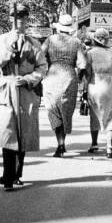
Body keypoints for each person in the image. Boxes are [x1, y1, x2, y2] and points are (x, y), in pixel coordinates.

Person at [0, 4, 46, 191]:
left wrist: (30, 79)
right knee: (8, 133)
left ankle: (17, 173)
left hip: (26, 92)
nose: (19, 21)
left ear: (27, 19)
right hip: (7, 88)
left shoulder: (34, 43)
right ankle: (7, 176)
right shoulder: (2, 40)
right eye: (15, 17)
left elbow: (42, 67)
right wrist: (10, 48)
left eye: (23, 17)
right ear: (10, 19)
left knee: (23, 134)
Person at [38, 14, 88, 157]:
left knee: (52, 109)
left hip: (52, 76)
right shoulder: (77, 42)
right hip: (69, 77)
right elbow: (83, 64)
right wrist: (79, 78)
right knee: (66, 111)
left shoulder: (50, 40)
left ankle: (60, 143)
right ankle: (62, 143)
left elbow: (40, 56)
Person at [81, 28, 112, 158]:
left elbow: (87, 73)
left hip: (95, 84)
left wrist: (84, 89)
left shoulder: (90, 53)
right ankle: (109, 147)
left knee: (94, 114)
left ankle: (94, 143)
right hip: (111, 85)